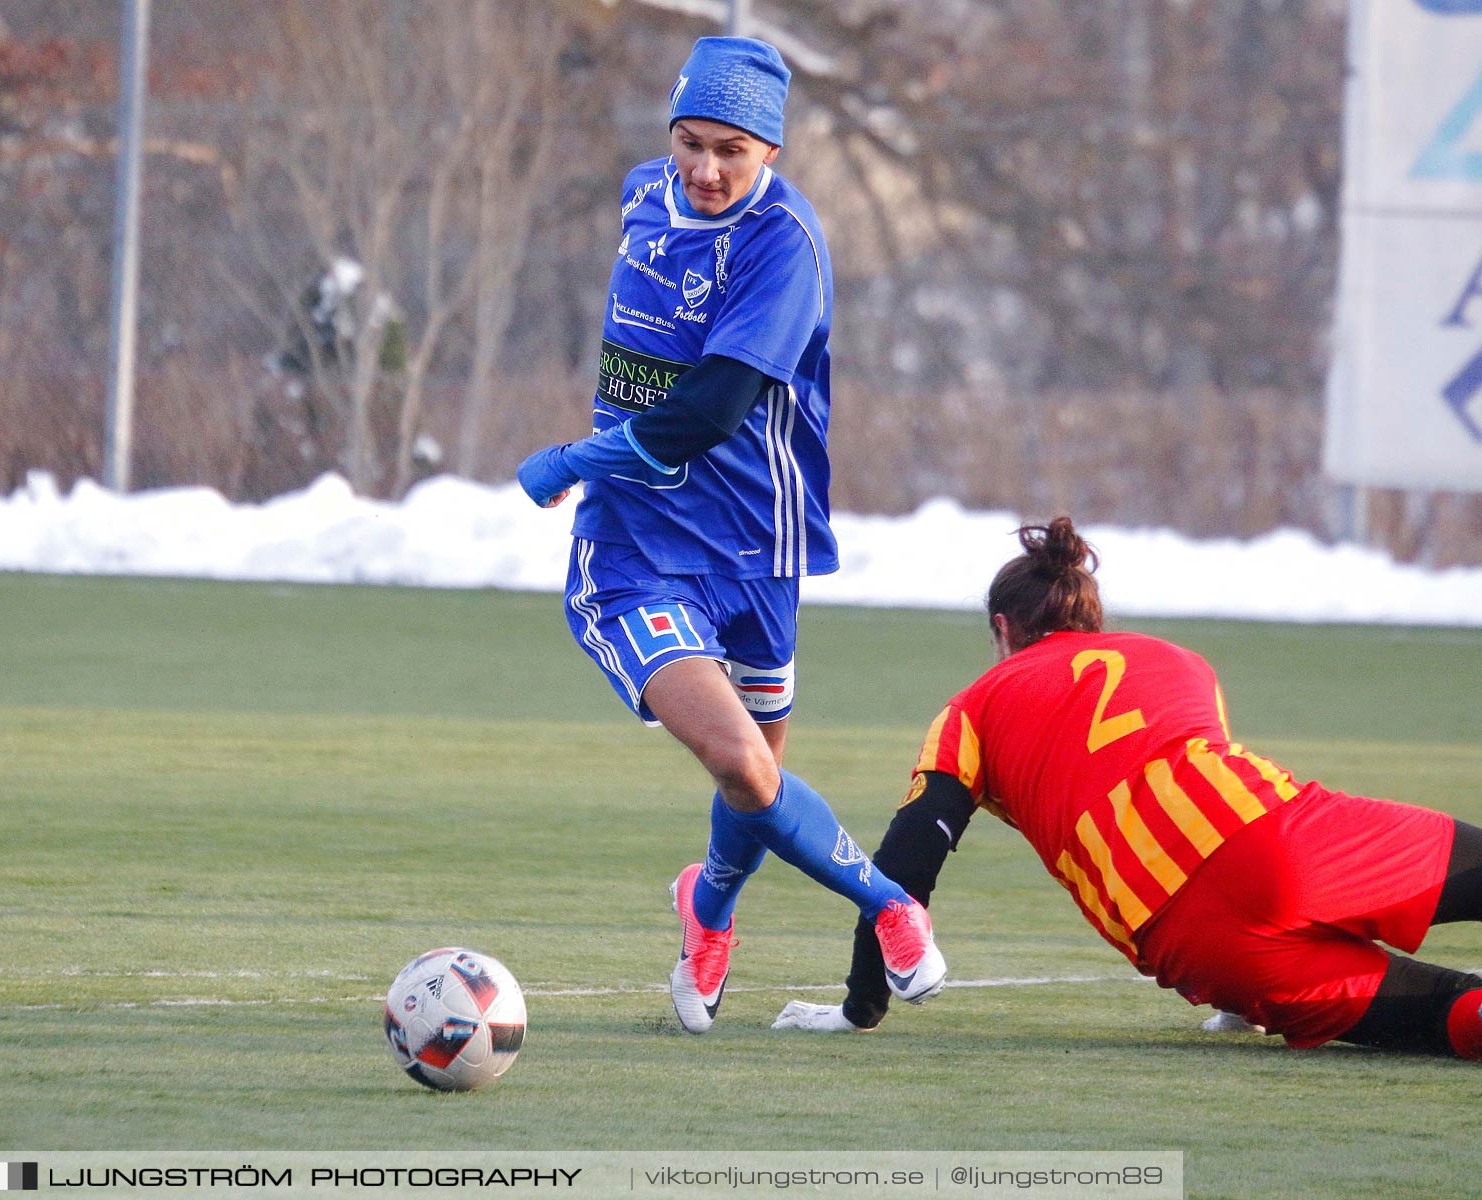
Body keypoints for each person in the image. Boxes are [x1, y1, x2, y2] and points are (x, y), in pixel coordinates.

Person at [514, 36, 944, 1033]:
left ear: (772, 155)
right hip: (634, 554)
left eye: (732, 153)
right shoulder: (640, 197)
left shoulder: (784, 245)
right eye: (690, 145)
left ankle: (705, 910)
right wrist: (600, 479)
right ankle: (891, 905)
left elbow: (710, 409)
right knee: (749, 767)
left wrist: (576, 459)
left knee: (753, 783)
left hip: (756, 550)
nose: (705, 170)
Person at [773, 518, 1482, 1060]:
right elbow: (1207, 795)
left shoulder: (972, 709)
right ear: (1091, 619)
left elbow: (905, 864)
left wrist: (859, 1006)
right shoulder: (1173, 659)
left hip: (1198, 943)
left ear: (1002, 628)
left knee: (1459, 1018)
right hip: (1290, 840)